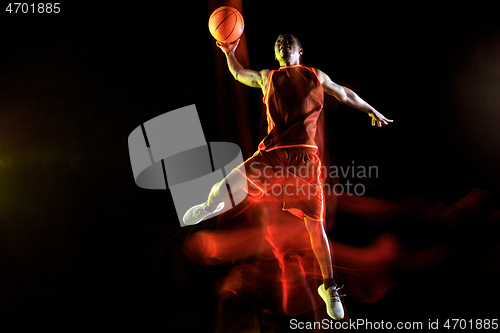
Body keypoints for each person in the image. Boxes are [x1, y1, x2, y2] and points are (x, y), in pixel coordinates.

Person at [183, 33, 392, 320]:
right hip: (274, 153)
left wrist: (371, 109)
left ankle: (328, 287)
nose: (282, 42)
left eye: (288, 40)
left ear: (300, 50)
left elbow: (344, 94)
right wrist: (228, 50)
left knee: (314, 229)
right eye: (278, 41)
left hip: (304, 158)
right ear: (276, 53)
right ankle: (208, 208)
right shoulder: (268, 77)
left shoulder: (315, 75)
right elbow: (239, 73)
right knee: (224, 185)